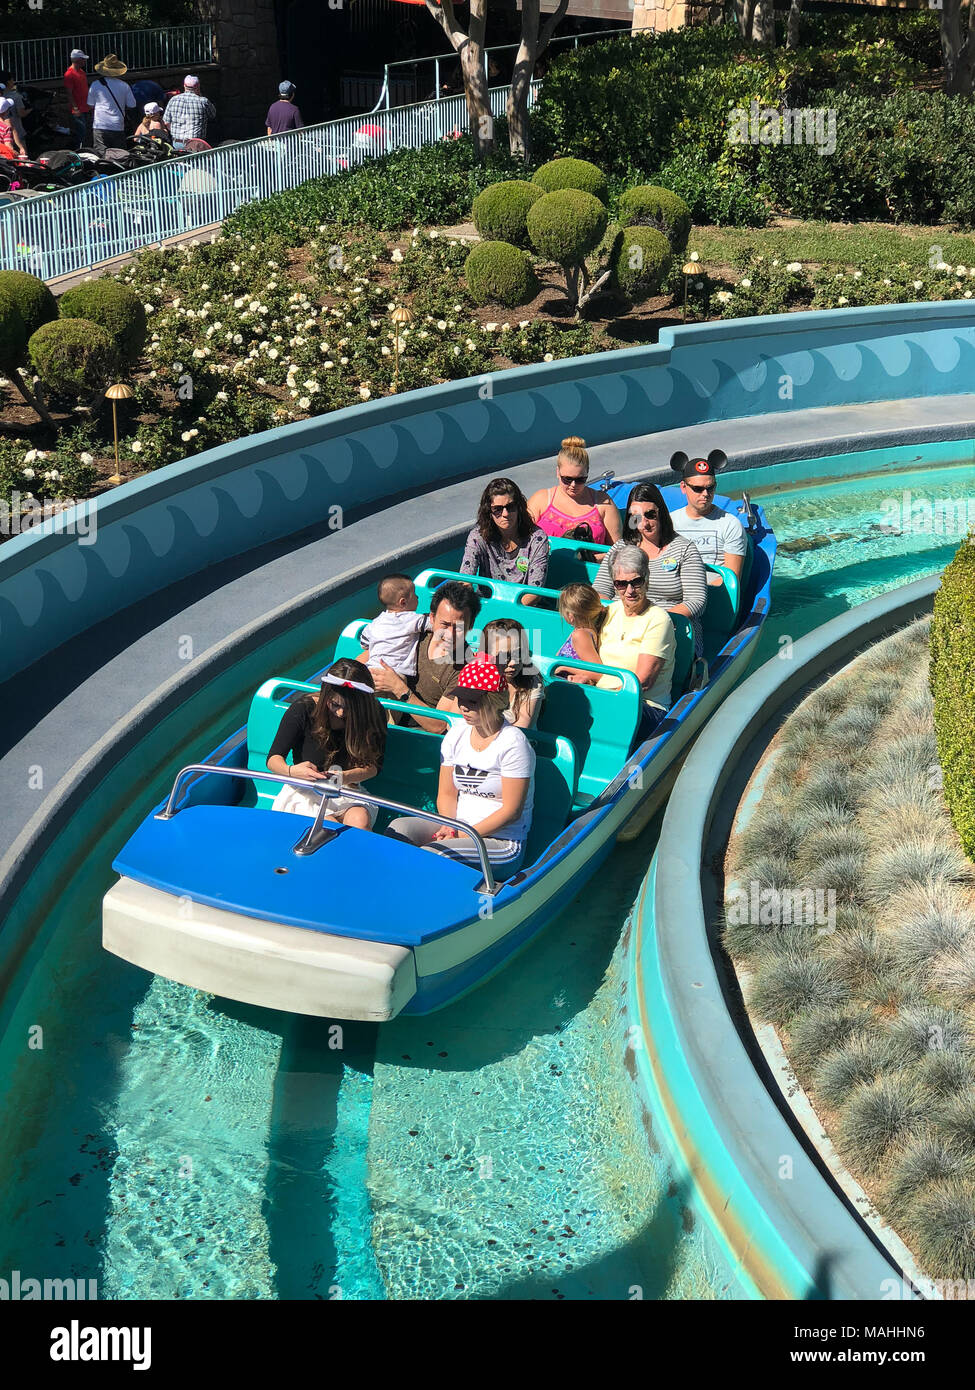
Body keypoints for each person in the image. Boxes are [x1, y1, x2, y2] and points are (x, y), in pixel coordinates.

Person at [387, 655, 536, 877]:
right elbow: (446, 794)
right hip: (459, 826)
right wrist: (450, 826)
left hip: (502, 841)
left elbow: (511, 812)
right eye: (461, 699)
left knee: (436, 854)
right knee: (397, 832)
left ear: (494, 702)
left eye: (473, 701)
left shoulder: (513, 743)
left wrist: (464, 835)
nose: (464, 707)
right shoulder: (456, 734)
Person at [563, 546, 675, 737]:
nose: (629, 590)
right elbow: (585, 656)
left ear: (646, 578)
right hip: (603, 696)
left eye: (636, 582)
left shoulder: (658, 619)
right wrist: (585, 679)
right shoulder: (609, 611)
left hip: (642, 705)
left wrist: (600, 694)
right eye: (621, 584)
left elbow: (642, 683)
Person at [266, 657, 387, 831]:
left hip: (347, 789)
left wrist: (343, 777)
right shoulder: (304, 709)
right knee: (329, 826)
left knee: (360, 820)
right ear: (326, 695)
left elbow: (374, 767)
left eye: (350, 708)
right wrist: (292, 771)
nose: (340, 713)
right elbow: (273, 759)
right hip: (305, 790)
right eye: (335, 704)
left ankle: (356, 857)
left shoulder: (373, 714)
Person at [594, 482, 707, 658]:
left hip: (668, 625)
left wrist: (654, 621)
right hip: (621, 623)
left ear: (661, 513)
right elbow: (600, 590)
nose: (644, 523)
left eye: (650, 515)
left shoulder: (684, 549)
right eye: (637, 517)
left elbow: (696, 601)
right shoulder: (620, 548)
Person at [370, 579, 480, 733]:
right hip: (377, 708)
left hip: (414, 732)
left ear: (471, 625)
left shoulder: (466, 668)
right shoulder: (412, 627)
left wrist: (400, 689)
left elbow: (440, 725)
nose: (450, 634)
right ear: (432, 618)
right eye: (445, 625)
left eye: (459, 628)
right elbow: (370, 652)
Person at [668, 452, 747, 589]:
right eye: (698, 489)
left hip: (713, 593)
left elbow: (731, 582)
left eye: (710, 488)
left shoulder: (730, 525)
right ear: (683, 487)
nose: (705, 494)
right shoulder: (669, 522)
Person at [460, 477, 549, 597]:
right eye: (497, 509)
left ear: (519, 507)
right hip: (488, 605)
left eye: (511, 507)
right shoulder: (477, 537)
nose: (505, 514)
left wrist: (508, 612)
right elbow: (465, 580)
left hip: (523, 608)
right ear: (489, 512)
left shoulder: (537, 538)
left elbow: (535, 592)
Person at [527, 437, 621, 548]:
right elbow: (522, 542)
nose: (573, 485)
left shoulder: (603, 503)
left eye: (580, 480)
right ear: (558, 472)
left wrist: (584, 558)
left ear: (588, 473)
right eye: (567, 479)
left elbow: (616, 550)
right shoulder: (540, 500)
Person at [356, 574, 429, 680]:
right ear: (403, 602)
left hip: (371, 670)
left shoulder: (375, 622)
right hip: (395, 673)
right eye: (414, 594)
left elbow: (364, 643)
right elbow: (434, 623)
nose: (417, 597)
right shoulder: (412, 619)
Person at [478, 618, 545, 729]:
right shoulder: (476, 674)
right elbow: (456, 720)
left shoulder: (532, 684)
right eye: (505, 656)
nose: (513, 663)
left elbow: (522, 730)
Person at [554, 582, 608, 678]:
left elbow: (598, 674)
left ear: (571, 615)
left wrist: (564, 667)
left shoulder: (580, 635)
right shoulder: (581, 630)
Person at [89, 55, 136, 156]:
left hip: (100, 125)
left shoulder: (95, 84)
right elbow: (132, 104)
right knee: (120, 155)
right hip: (117, 125)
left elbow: (90, 104)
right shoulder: (124, 85)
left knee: (101, 154)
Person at [164, 75, 216, 151]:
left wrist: (177, 132)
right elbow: (212, 115)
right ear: (198, 86)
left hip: (176, 143)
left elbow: (166, 122)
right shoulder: (203, 101)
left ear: (184, 86)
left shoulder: (173, 100)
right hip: (195, 144)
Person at [62, 50, 91, 151]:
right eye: (83, 59)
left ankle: (83, 151)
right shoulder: (69, 74)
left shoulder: (82, 72)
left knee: (85, 133)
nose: (84, 61)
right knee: (80, 133)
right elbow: (69, 93)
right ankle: (78, 152)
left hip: (85, 107)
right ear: (78, 60)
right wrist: (75, 108)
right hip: (78, 109)